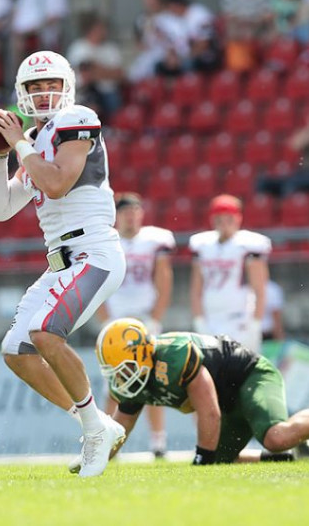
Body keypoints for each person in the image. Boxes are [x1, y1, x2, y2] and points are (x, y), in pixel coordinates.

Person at [0, 50, 127, 478]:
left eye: (51, 85)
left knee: (45, 332)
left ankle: (96, 432)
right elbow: (0, 209)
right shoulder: (31, 141)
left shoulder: (76, 119)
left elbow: (58, 182)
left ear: (67, 87)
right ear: (21, 94)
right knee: (16, 350)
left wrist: (18, 144)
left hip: (94, 251)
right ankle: (96, 424)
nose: (44, 94)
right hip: (62, 262)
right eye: (34, 87)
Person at [96, 317, 309, 464]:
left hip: (250, 376)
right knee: (221, 460)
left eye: (124, 368)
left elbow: (209, 412)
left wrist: (201, 460)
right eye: (115, 371)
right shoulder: (138, 376)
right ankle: (294, 454)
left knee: (275, 438)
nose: (121, 377)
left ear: (142, 354)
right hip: (227, 401)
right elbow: (119, 430)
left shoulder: (175, 356)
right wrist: (95, 460)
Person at [96, 192, 174, 458]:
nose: (131, 216)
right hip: (116, 320)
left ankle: (158, 442)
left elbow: (164, 279)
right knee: (113, 385)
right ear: (117, 215)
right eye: (126, 211)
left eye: (136, 211)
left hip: (144, 320)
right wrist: (105, 319)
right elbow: (96, 283)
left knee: (153, 381)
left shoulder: (153, 240)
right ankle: (106, 442)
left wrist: (156, 317)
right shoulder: (107, 240)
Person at [190, 194, 271, 354]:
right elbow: (196, 288)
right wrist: (199, 318)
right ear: (213, 219)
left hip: (239, 319)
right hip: (211, 317)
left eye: (229, 218)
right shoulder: (203, 245)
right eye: (219, 218)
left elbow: (260, 288)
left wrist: (255, 323)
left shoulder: (248, 245)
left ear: (238, 218)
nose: (224, 224)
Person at [257, 101, 309, 196]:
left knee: (293, 185)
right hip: (302, 174)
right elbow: (294, 145)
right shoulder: (307, 133)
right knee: (263, 182)